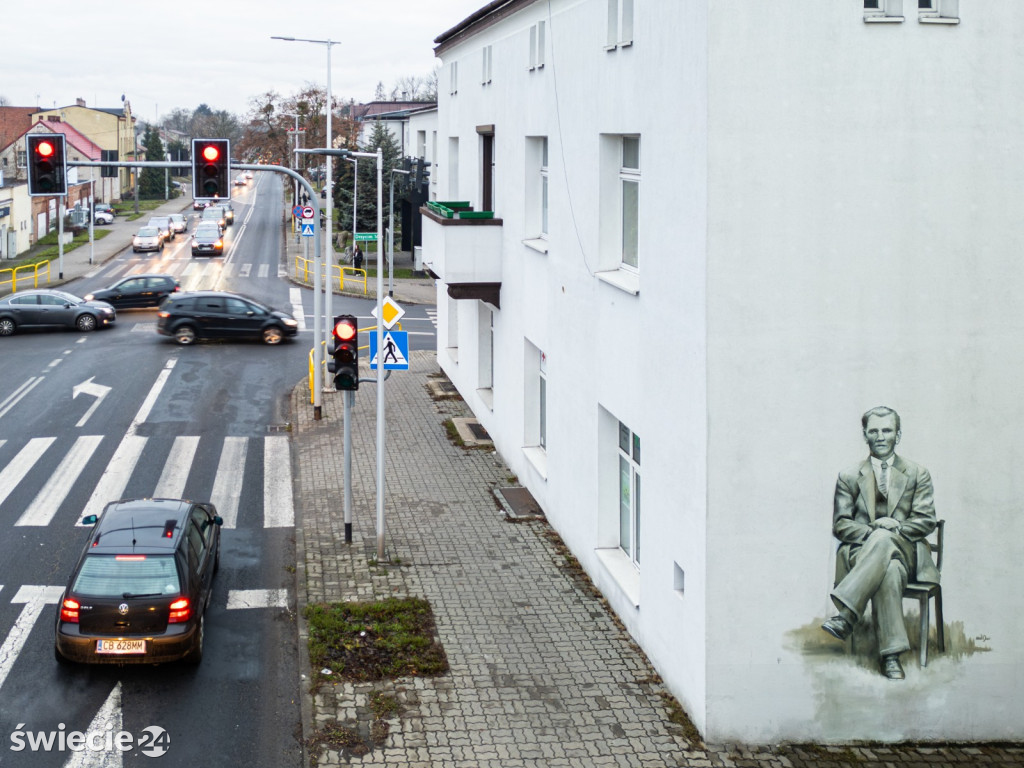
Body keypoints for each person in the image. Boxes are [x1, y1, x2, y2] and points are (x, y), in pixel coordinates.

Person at [821, 406, 940, 680]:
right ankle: (891, 657)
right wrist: (873, 532)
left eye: (887, 430)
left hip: (907, 552)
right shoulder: (849, 476)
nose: (881, 436)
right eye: (874, 431)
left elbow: (925, 520)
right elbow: (841, 524)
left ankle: (847, 615)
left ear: (898, 435)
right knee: (889, 569)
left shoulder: (917, 473)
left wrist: (895, 527)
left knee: (887, 540)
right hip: (862, 555)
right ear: (865, 435)